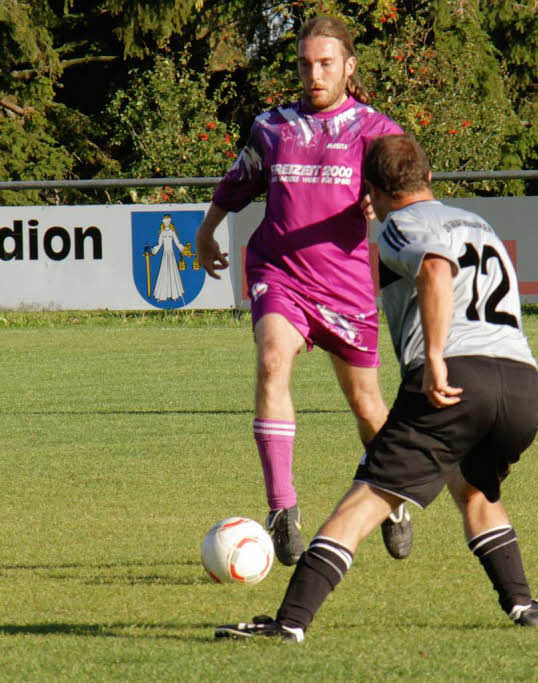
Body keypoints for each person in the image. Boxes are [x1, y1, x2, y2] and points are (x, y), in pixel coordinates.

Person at [214, 134, 538, 642]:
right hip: (521, 386)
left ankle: (288, 623)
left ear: (374, 191)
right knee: (474, 489)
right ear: (428, 177)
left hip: (456, 377)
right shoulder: (476, 222)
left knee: (361, 504)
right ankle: (523, 604)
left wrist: (432, 357)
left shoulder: (404, 224)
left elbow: (433, 268)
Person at [195, 15, 412, 565]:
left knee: (366, 407)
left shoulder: (377, 131)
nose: (314, 74)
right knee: (272, 361)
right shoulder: (272, 128)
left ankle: (394, 497)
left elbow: (405, 197)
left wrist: (378, 202)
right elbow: (239, 181)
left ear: (349, 67)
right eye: (304, 64)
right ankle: (282, 508)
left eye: (326, 64)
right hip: (280, 272)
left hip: (345, 288)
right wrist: (206, 229)